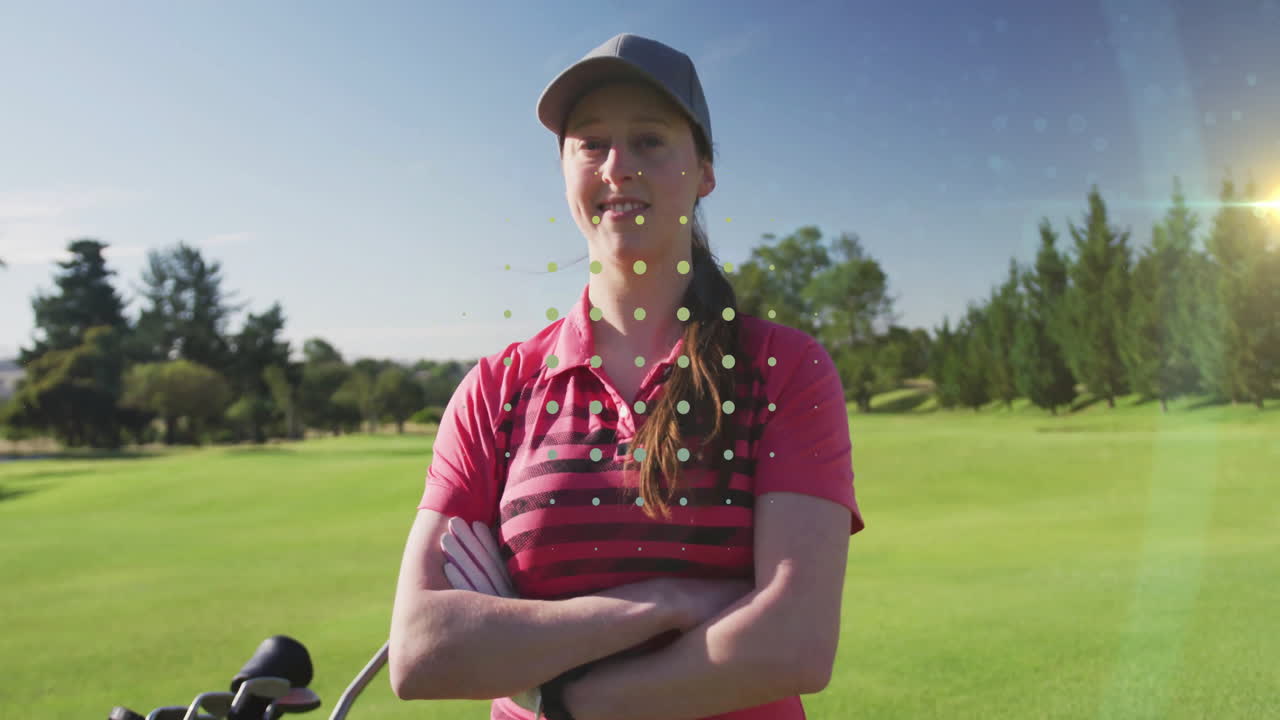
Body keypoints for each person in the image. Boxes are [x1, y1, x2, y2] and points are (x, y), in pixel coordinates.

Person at [389, 33, 865, 720]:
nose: (617, 167)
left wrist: (563, 701)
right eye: (591, 143)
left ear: (704, 171)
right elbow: (421, 651)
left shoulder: (783, 369)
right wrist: (661, 604)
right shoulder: (496, 389)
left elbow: (792, 645)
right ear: (564, 171)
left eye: (649, 141)